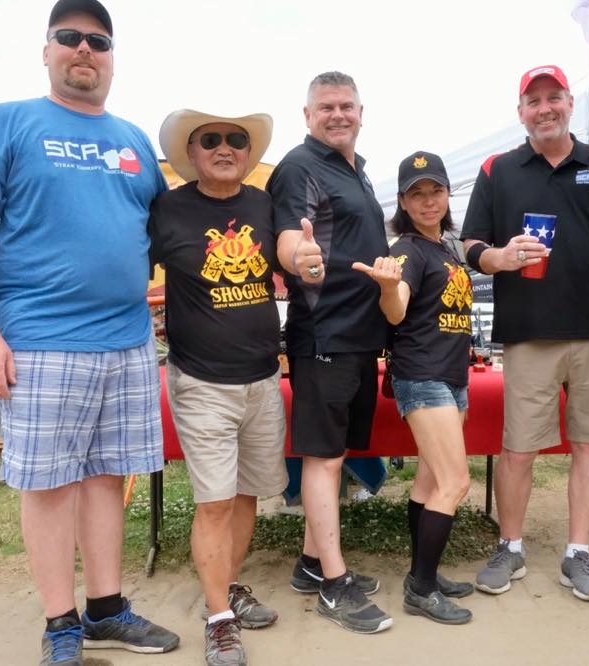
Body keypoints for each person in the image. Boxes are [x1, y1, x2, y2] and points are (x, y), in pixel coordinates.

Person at [0, 2, 179, 664]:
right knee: (48, 486)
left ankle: (106, 610)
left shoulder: (134, 141)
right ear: (46, 51)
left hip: (128, 341)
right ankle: (60, 623)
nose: (84, 49)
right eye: (68, 37)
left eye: (98, 41)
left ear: (112, 58)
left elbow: (167, 236)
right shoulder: (7, 122)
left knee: (106, 477)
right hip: (40, 340)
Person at [460, 65, 589, 602]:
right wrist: (498, 257)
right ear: (520, 112)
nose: (545, 108)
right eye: (534, 100)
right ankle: (510, 546)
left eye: (554, 97)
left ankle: (578, 553)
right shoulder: (498, 169)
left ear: (569, 103)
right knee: (519, 447)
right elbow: (471, 244)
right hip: (529, 333)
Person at [151, 108, 287, 666]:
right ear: (192, 152)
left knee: (248, 493)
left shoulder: (265, 205)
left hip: (263, 378)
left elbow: (292, 261)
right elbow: (126, 266)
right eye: (211, 139)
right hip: (203, 383)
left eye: (236, 139)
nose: (225, 147)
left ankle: (226, 589)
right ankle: (218, 620)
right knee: (215, 503)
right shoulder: (166, 209)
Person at [266, 71, 393, 634]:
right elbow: (290, 237)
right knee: (323, 458)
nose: (338, 114)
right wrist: (300, 256)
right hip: (325, 334)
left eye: (346, 106)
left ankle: (312, 564)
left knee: (334, 453)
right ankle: (335, 586)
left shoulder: (355, 170)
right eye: (326, 107)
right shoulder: (300, 165)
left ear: (361, 113)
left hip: (359, 337)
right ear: (308, 115)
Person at [354, 151, 476, 625]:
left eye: (435, 191)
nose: (428, 201)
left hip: (451, 375)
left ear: (447, 195)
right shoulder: (407, 250)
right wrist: (388, 287)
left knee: (429, 480)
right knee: (455, 482)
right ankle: (422, 591)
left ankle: (422, 574)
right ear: (402, 202)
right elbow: (398, 309)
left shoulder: (444, 248)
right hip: (424, 377)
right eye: (416, 194)